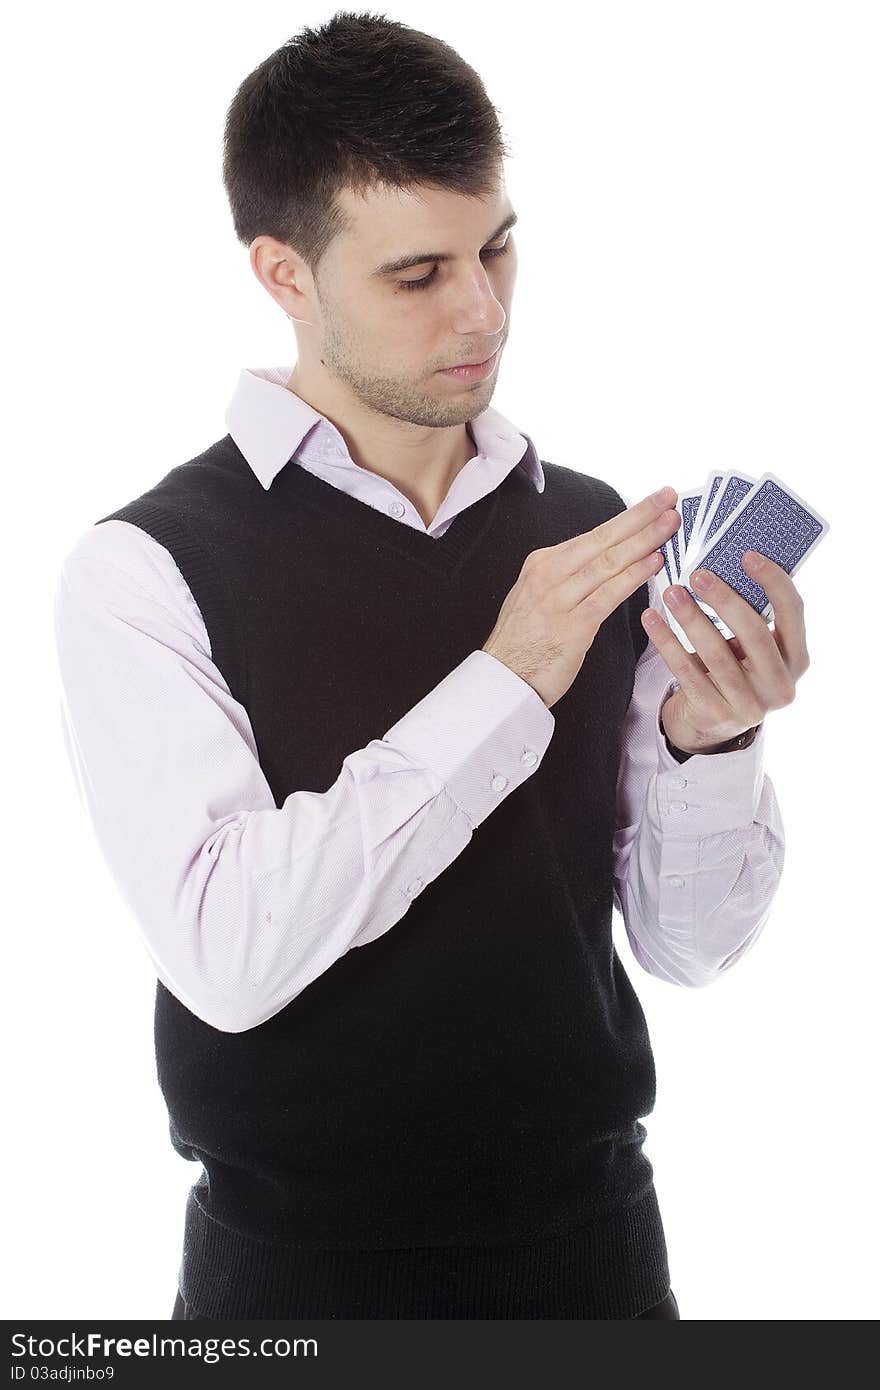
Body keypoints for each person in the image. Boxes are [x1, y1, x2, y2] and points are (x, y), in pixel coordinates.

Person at [53, 11, 807, 1321]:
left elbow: (687, 948)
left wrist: (710, 742)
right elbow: (229, 952)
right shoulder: (141, 569)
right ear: (285, 274)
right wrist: (505, 680)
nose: (483, 309)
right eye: (417, 274)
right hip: (288, 1297)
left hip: (604, 1266)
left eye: (498, 247)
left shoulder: (591, 530)